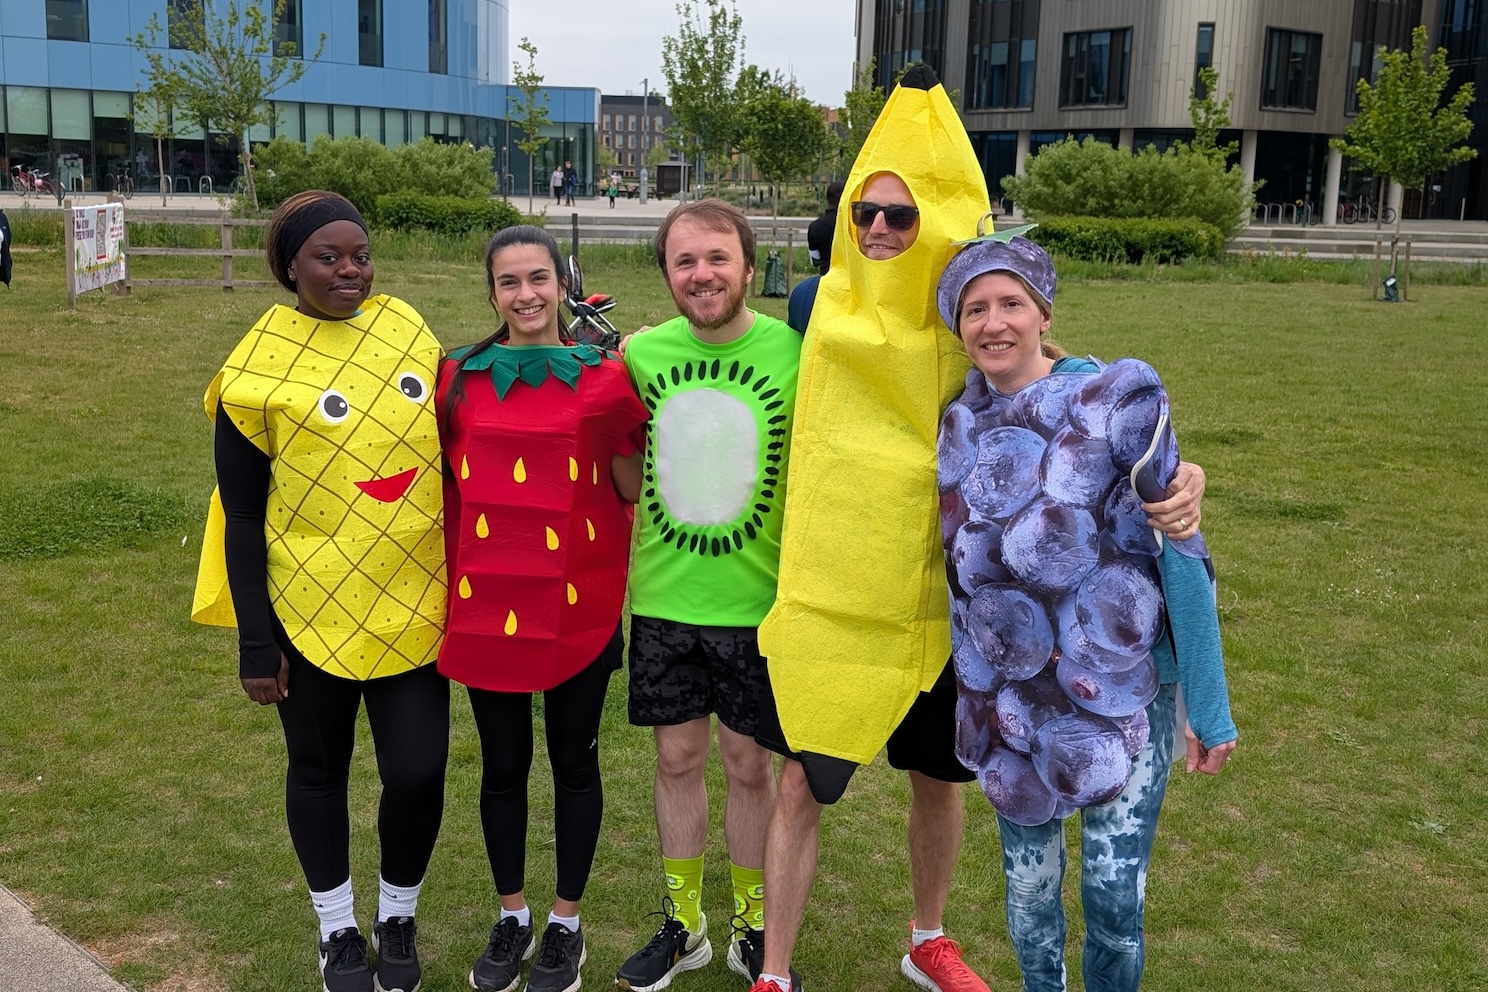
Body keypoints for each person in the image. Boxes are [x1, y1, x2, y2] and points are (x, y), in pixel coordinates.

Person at [752, 67, 1206, 992]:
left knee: (941, 783)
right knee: (803, 777)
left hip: (967, 620)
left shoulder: (975, 321)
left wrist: (1181, 475)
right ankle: (777, 970)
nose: (880, 229)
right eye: (865, 212)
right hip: (844, 605)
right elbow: (723, 337)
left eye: (903, 215)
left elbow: (1070, 389)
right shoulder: (814, 307)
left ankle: (927, 937)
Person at [935, 234, 1237, 992]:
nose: (994, 323)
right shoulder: (955, 426)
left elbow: (1181, 549)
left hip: (1123, 696)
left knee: (1111, 895)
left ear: (1043, 312)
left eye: (1011, 304)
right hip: (1007, 704)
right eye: (975, 309)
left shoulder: (1111, 403)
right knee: (1030, 899)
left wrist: (1209, 705)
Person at [190, 190, 448, 992]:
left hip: (414, 598)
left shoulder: (405, 325)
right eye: (328, 258)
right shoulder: (256, 366)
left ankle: (396, 917)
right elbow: (239, 513)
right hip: (308, 606)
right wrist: (256, 641)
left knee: (418, 771)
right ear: (290, 266)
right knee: (318, 768)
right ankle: (338, 931)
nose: (350, 270)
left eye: (360, 254)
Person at [439, 225, 649, 992]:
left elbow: (628, 487)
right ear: (490, 292)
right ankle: (512, 915)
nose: (526, 295)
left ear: (562, 284)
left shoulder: (606, 375)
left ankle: (566, 921)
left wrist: (633, 428)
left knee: (572, 763)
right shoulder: (455, 376)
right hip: (486, 609)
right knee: (502, 768)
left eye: (538, 279)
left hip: (579, 613)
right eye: (509, 283)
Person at [612, 200, 803, 992]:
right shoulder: (639, 356)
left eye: (717, 258)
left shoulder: (796, 353)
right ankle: (684, 925)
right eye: (685, 262)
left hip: (758, 606)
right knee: (677, 759)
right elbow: (617, 463)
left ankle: (753, 925)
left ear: (749, 266)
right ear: (666, 273)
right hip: (664, 598)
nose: (702, 275)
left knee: (748, 766)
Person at [805, 181, 842, 276]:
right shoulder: (851, 224)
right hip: (849, 279)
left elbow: (815, 261)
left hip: (825, 278)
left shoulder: (814, 226)